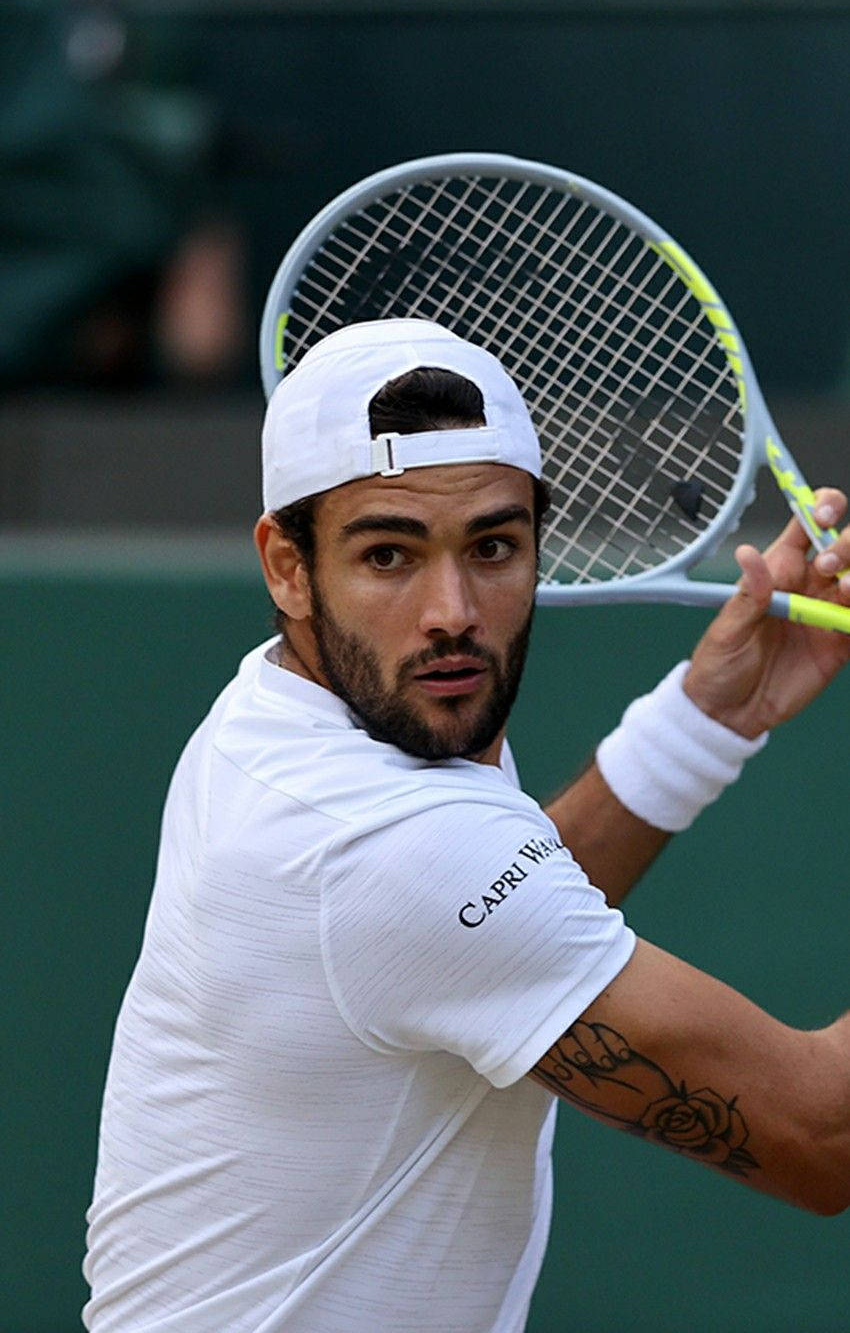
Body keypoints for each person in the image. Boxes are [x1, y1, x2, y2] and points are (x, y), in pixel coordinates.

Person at [83, 318, 850, 1332]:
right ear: (287, 564)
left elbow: (502, 917)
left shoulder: (281, 714)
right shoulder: (382, 844)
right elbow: (821, 1132)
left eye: (492, 546)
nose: (452, 610)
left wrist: (704, 723)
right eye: (389, 553)